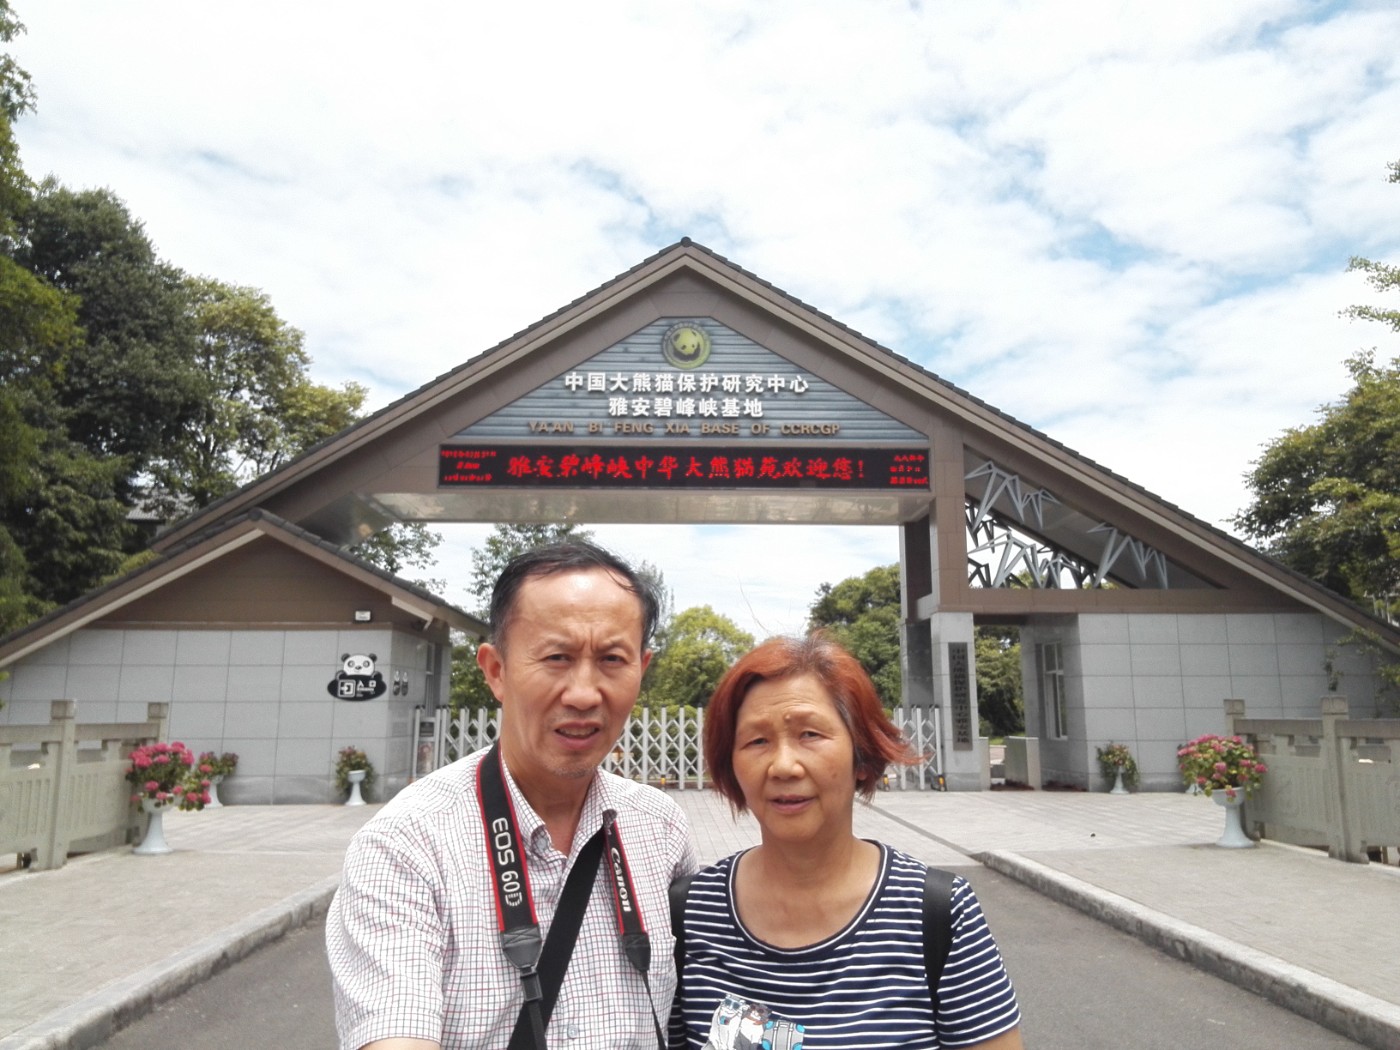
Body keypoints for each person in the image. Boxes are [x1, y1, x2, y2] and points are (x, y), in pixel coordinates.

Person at [327, 541, 699, 1050]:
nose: (584, 693)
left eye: (612, 659)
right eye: (557, 657)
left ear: (642, 668)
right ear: (496, 670)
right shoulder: (406, 845)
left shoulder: (661, 828)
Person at [671, 633, 1024, 1050]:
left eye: (809, 734)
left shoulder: (937, 914)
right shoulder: (689, 913)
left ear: (861, 756)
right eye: (757, 741)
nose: (783, 766)